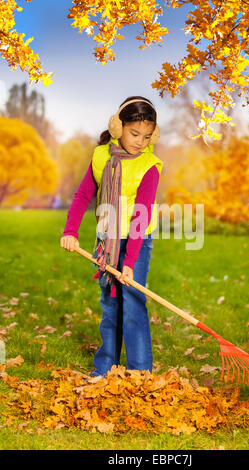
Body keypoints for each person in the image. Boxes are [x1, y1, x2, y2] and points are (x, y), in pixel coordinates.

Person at [60, 96, 163, 377]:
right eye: (134, 133)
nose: (140, 141)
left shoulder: (149, 166)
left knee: (133, 301)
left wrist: (130, 262)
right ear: (118, 127)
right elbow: (83, 196)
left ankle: (140, 372)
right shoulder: (101, 156)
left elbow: (141, 215)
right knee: (110, 302)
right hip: (107, 240)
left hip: (135, 242)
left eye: (147, 135)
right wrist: (70, 231)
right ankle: (106, 366)